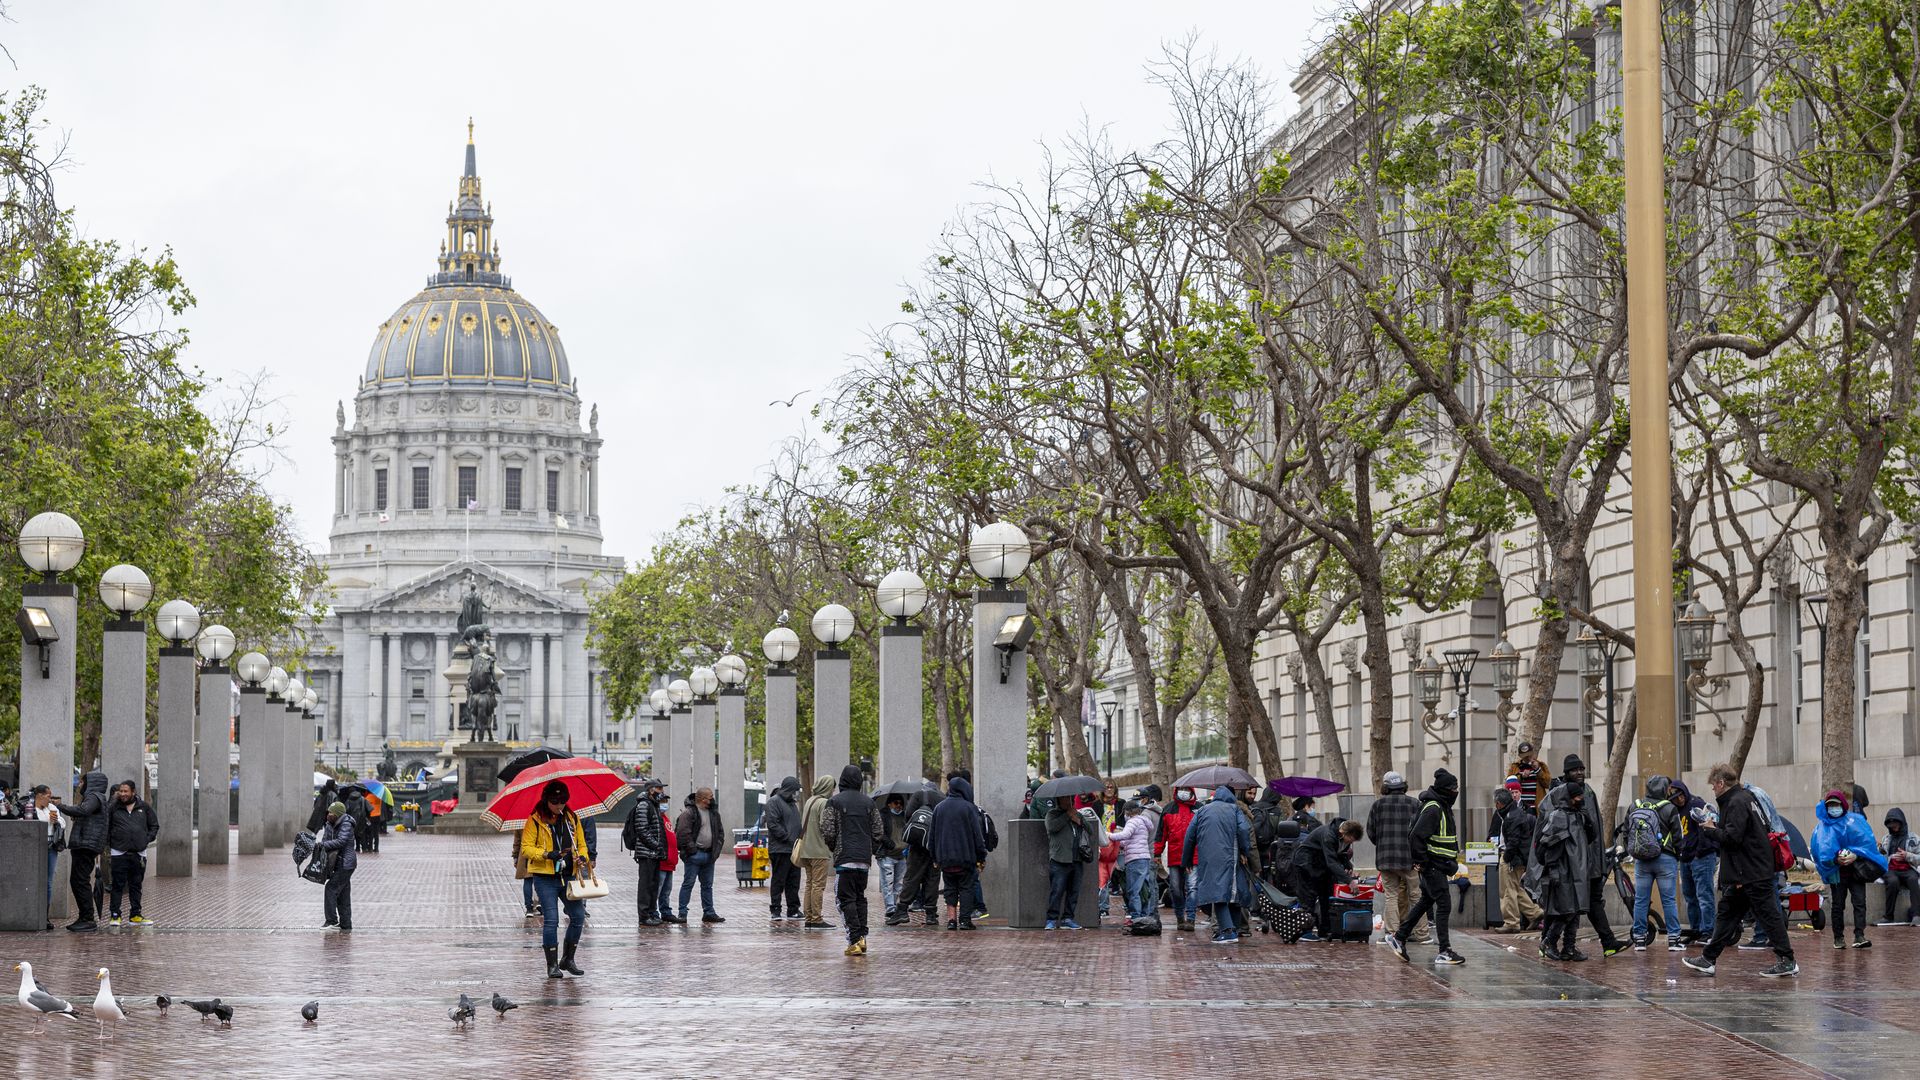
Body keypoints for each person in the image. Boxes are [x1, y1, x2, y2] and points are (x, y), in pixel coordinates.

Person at [1684, 764, 1796, 978]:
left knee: (1769, 915)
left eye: (1713, 787)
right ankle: (1708, 958)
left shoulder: (1735, 803)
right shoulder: (1747, 798)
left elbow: (1732, 838)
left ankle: (1788, 959)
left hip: (1749, 873)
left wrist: (1710, 830)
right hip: (1749, 871)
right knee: (1727, 915)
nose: (1713, 791)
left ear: (1720, 783)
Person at [1541, 755, 1628, 956]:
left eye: (1582, 768)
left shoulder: (1588, 792)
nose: (1579, 772)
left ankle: (1576, 946)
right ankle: (1550, 942)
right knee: (1570, 904)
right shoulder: (1560, 798)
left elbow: (1593, 830)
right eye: (1575, 770)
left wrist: (1598, 858)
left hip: (1589, 860)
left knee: (1587, 901)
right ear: (1566, 772)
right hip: (1570, 863)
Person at [1384, 768, 1464, 966]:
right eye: (1453, 788)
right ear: (1445, 790)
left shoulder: (1440, 805)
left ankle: (1400, 937)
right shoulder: (1434, 808)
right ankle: (1444, 950)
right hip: (1433, 866)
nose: (1456, 791)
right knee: (1444, 904)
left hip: (1438, 865)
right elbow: (1415, 837)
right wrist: (1423, 863)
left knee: (1426, 901)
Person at [518, 780, 590, 976]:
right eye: (555, 802)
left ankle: (568, 958)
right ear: (547, 801)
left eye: (563, 802)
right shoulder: (535, 820)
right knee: (551, 919)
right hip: (545, 877)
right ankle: (552, 965)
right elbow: (526, 848)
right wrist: (546, 854)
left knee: (578, 916)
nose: (559, 806)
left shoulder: (571, 818)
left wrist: (582, 856)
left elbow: (581, 843)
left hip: (568, 876)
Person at [820, 764, 884, 955]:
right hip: (863, 859)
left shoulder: (834, 802)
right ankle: (862, 937)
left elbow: (827, 830)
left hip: (845, 858)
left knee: (844, 898)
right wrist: (870, 848)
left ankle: (854, 939)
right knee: (859, 898)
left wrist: (834, 847)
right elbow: (878, 831)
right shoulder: (869, 803)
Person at [1811, 788, 1886, 949]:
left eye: (1836, 804)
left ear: (1843, 805)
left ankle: (1860, 935)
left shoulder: (1856, 821)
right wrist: (1835, 860)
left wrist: (1856, 855)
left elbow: (1867, 844)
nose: (1833, 808)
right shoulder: (1822, 828)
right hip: (1836, 873)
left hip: (1857, 871)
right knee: (1838, 905)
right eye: (1830, 805)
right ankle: (1838, 937)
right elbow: (1820, 853)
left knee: (1860, 902)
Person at [1529, 779, 1592, 961]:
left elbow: (1589, 838)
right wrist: (1554, 869)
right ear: (1570, 797)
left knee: (1576, 910)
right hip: (1563, 871)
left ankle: (1569, 948)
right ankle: (1549, 940)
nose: (1581, 799)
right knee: (1568, 911)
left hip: (1577, 871)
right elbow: (1548, 846)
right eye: (1577, 796)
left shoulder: (1578, 815)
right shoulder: (1558, 816)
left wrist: (1587, 819)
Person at [1182, 786, 1252, 944]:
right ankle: (1231, 929)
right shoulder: (1234, 809)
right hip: (1230, 855)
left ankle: (1228, 931)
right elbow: (1243, 830)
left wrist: (1186, 860)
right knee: (1233, 894)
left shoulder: (1202, 811)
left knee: (1217, 893)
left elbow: (1190, 836)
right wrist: (1244, 852)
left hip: (1208, 858)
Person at [1626, 774, 1685, 952]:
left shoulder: (1635, 805)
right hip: (1665, 859)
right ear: (1664, 789)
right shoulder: (1669, 808)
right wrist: (1678, 854)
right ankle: (1674, 940)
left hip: (1642, 860)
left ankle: (1639, 940)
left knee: (1641, 901)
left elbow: (1626, 831)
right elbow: (1677, 836)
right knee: (1668, 900)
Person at [1367, 772, 1426, 946]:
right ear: (1403, 786)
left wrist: (1383, 844)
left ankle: (1392, 934)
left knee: (1391, 896)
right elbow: (1421, 831)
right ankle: (1422, 934)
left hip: (1386, 858)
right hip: (1410, 858)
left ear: (1386, 787)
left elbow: (1371, 832)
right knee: (1416, 895)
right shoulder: (1415, 804)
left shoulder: (1378, 805)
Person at [929, 775, 987, 930]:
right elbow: (977, 836)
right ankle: (965, 920)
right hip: (965, 858)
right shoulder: (969, 808)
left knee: (950, 888)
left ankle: (951, 920)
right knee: (966, 888)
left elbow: (932, 836)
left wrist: (935, 857)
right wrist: (981, 856)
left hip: (945, 859)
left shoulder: (939, 808)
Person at [55, 768, 109, 933]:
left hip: (86, 845)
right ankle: (84, 917)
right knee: (78, 880)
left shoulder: (94, 797)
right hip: (86, 844)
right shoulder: (96, 798)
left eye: (83, 781)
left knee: (79, 881)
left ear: (92, 783)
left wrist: (60, 806)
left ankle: (87, 918)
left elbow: (83, 810)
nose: (80, 784)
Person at [888, 779, 944, 926]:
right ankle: (931, 915)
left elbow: (908, 816)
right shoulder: (942, 799)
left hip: (917, 846)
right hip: (935, 846)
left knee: (911, 877)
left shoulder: (919, 795)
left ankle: (902, 911)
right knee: (932, 879)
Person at [1296, 819, 1363, 940]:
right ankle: (1305, 932)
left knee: (1327, 895)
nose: (1350, 843)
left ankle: (1325, 930)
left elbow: (1341, 854)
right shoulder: (1328, 835)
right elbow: (1331, 861)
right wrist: (1349, 881)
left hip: (1321, 865)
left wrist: (1348, 867)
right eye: (1350, 840)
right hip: (1306, 863)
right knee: (1309, 896)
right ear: (1345, 833)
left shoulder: (1343, 835)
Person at [103, 780, 158, 927]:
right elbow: (106, 826)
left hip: (139, 853)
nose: (122, 794)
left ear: (133, 792)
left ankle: (135, 915)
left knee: (136, 885)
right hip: (118, 852)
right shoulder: (113, 808)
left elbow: (154, 825)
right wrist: (111, 842)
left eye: (125, 791)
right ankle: (115, 915)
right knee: (117, 885)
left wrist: (146, 839)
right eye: (121, 791)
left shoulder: (144, 807)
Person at [1671, 780, 1719, 944]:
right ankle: (1696, 930)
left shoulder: (1696, 804)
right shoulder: (1676, 811)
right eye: (1676, 798)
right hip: (1686, 858)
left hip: (1702, 857)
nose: (1680, 799)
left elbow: (1706, 828)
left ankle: (1708, 931)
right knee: (1690, 897)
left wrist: (1699, 852)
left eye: (1681, 795)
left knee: (1704, 895)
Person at [674, 786, 727, 924]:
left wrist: (716, 849)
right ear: (703, 799)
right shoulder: (689, 813)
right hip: (694, 855)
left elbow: (720, 833)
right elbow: (682, 834)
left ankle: (709, 912)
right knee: (688, 884)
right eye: (710, 797)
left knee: (707, 885)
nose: (712, 799)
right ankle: (682, 912)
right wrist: (692, 850)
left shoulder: (714, 813)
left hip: (710, 855)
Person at [1492, 788, 1541, 933]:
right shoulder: (1513, 813)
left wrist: (1506, 857)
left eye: (1496, 803)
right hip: (1516, 857)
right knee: (1514, 888)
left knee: (1507, 891)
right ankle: (1535, 913)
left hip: (1512, 858)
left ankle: (1511, 922)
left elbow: (1513, 842)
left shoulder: (1511, 816)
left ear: (1500, 803)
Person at [621, 777, 668, 927]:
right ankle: (644, 915)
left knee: (653, 885)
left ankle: (651, 913)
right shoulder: (644, 805)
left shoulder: (653, 805)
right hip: (647, 853)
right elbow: (642, 829)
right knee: (646, 886)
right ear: (651, 790)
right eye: (659, 788)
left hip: (654, 853)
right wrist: (656, 845)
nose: (662, 791)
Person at [1045, 793, 1095, 929]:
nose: (1068, 801)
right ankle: (1051, 919)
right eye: (1064, 798)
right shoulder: (1052, 814)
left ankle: (1068, 918)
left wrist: (1079, 821)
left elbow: (1090, 830)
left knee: (1074, 891)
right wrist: (1067, 816)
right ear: (1058, 800)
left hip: (1077, 858)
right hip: (1059, 859)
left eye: (1070, 798)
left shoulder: (1077, 813)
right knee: (1057, 891)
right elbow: (1052, 828)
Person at [1108, 798, 1157, 926]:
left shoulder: (1132, 821)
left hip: (1134, 859)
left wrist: (1108, 835)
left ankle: (1136, 916)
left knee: (1133, 890)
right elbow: (1131, 839)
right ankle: (1145, 914)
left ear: (1128, 812)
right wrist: (1122, 844)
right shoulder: (1143, 822)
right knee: (1144, 888)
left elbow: (1125, 835)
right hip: (1145, 857)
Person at [796, 775, 837, 929]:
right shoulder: (824, 802)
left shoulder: (810, 801)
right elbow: (825, 827)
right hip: (819, 851)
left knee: (809, 884)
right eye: (832, 787)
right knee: (818, 886)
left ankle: (808, 917)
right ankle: (817, 918)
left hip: (806, 849)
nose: (833, 790)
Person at [762, 776, 804, 921]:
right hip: (780, 849)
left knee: (794, 881)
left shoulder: (792, 804)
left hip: (793, 849)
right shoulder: (773, 802)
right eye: (794, 790)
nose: (796, 794)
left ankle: (793, 909)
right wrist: (787, 837)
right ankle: (775, 909)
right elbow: (773, 824)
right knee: (779, 880)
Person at [21, 784, 62, 926]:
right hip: (34, 847)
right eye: (48, 796)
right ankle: (30, 913)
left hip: (51, 847)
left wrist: (56, 820)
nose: (50, 799)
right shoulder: (29, 807)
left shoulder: (51, 808)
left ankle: (45, 915)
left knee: (48, 882)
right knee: (32, 879)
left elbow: (62, 824)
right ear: (39, 795)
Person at [317, 800, 359, 933]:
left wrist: (323, 845)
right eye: (328, 812)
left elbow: (341, 841)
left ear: (338, 814)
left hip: (346, 863)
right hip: (338, 863)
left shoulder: (346, 823)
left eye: (331, 812)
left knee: (331, 888)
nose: (328, 814)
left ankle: (332, 921)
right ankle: (346, 924)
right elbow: (325, 840)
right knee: (343, 894)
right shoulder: (330, 824)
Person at [1161, 787, 1199, 931]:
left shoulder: (1198, 809)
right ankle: (1179, 917)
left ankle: (1190, 919)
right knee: (1175, 889)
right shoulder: (1168, 809)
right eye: (1181, 789)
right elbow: (1161, 834)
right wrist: (1157, 854)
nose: (1183, 792)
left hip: (1194, 856)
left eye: (1186, 789)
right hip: (1175, 856)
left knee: (1192, 888)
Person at [1881, 807, 1920, 925]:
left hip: (1908, 869)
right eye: (1891, 824)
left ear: (1902, 822)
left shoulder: (1914, 838)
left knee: (1914, 879)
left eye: (1896, 823)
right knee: (1893, 881)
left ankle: (1916, 915)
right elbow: (1880, 858)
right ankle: (1888, 916)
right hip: (1891, 870)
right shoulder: (1886, 839)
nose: (1893, 827)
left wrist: (1907, 855)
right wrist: (1882, 853)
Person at [878, 793, 909, 915]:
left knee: (899, 884)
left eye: (901, 803)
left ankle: (894, 905)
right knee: (888, 883)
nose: (899, 806)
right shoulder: (883, 816)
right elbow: (879, 833)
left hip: (902, 855)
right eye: (896, 803)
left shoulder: (905, 816)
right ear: (889, 804)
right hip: (887, 855)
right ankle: (890, 907)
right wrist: (890, 844)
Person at [656, 790, 682, 924]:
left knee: (666, 890)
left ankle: (665, 912)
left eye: (665, 801)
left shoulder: (665, 817)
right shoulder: (656, 817)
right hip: (661, 861)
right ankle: (654, 912)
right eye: (662, 801)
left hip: (669, 861)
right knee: (657, 889)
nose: (664, 804)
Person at [1506, 741, 1551, 810]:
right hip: (1519, 808)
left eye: (1529, 755)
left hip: (1536, 808)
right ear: (1521, 756)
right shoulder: (1515, 767)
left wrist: (1538, 770)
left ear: (1532, 753)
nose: (1527, 758)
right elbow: (1509, 786)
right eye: (1525, 756)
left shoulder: (1541, 766)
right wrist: (1521, 777)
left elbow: (1548, 784)